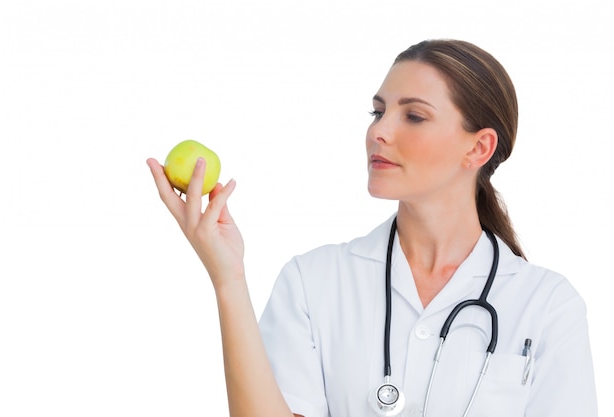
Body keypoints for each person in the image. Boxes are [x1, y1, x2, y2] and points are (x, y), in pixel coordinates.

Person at [146, 39, 598, 417]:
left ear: (479, 147)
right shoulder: (315, 281)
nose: (379, 131)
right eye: (377, 112)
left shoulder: (548, 305)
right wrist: (229, 279)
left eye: (413, 115)